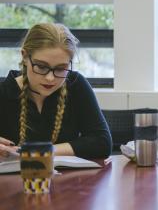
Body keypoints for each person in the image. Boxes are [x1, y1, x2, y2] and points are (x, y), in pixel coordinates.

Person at [0, 23, 112, 159]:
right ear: (24, 56)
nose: (50, 78)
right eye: (41, 67)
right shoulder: (4, 92)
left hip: (67, 179)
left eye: (60, 69)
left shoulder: (76, 85)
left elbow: (102, 142)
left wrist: (35, 152)